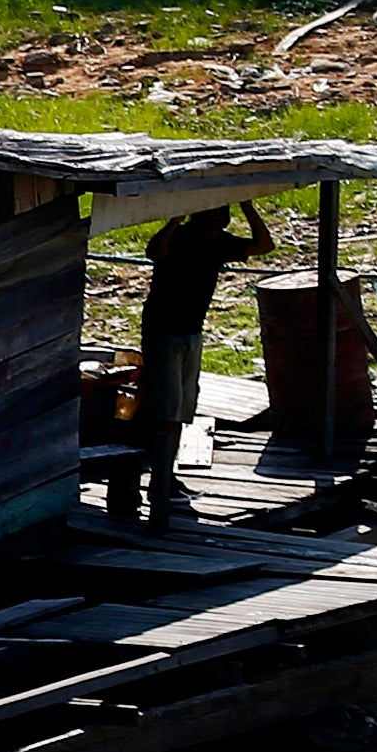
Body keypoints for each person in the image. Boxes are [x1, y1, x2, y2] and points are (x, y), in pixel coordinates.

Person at [128, 203, 269, 523]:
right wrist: (175, 217)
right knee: (164, 409)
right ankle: (158, 482)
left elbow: (264, 245)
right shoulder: (179, 238)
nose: (222, 223)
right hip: (164, 333)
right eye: (218, 217)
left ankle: (166, 477)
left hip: (191, 333)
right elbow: (155, 251)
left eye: (225, 218)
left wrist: (249, 206)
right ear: (202, 217)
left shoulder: (218, 242)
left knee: (179, 410)